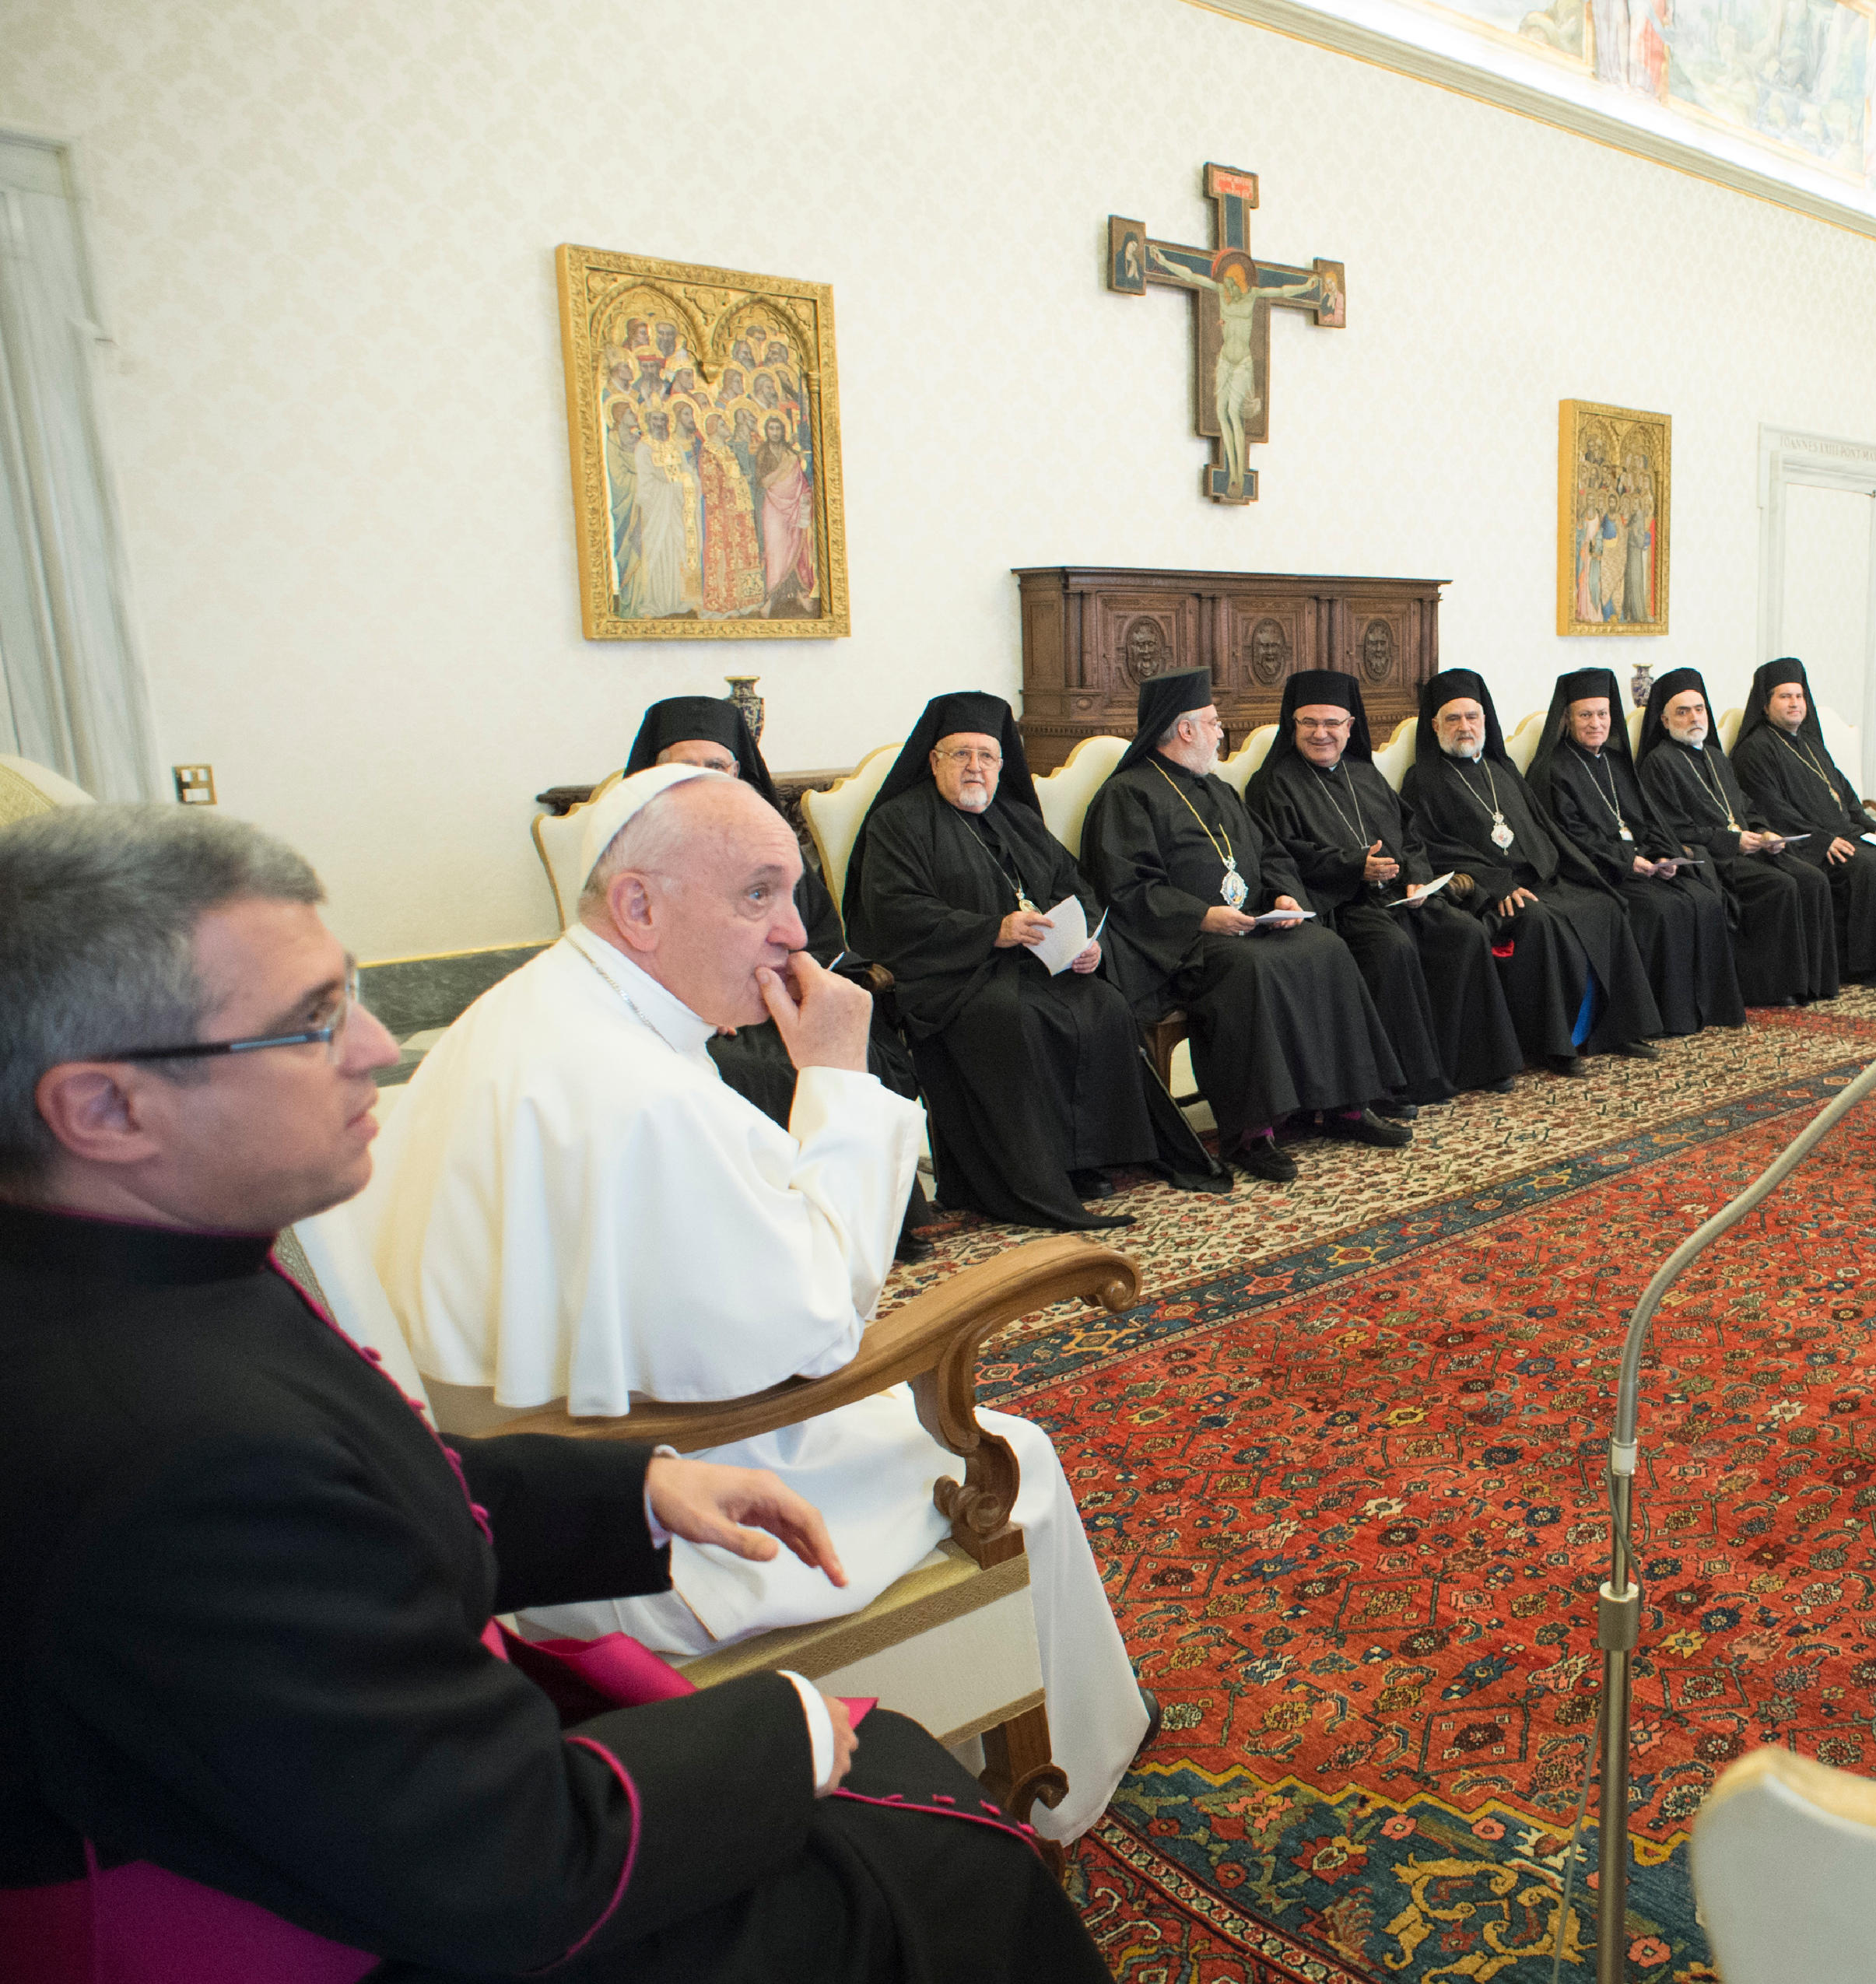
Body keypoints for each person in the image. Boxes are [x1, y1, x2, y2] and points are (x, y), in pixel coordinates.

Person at [0, 804, 1107, 1982]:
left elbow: (350, 1491)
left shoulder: (140, 1278)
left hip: (399, 1732)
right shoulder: (171, 1444)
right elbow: (501, 1866)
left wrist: (631, 1493)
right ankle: (1068, 1781)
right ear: (103, 1109)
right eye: (312, 1021)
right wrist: (783, 1728)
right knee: (952, 1868)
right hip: (360, 1927)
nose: (375, 1046)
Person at [368, 767, 1150, 1837]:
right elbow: (819, 1326)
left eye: (791, 893)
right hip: (652, 1528)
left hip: (531, 1479)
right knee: (1018, 1456)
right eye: (756, 896)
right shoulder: (641, 1095)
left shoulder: (537, 1007)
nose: (792, 933)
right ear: (639, 906)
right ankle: (1058, 1788)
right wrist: (836, 1078)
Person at [845, 691, 1223, 1231]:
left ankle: (1090, 1160)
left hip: (1040, 964)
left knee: (1104, 1006)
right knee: (1017, 1018)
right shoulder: (898, 823)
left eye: (987, 756)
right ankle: (1033, 1176)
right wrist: (993, 931)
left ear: (1002, 765)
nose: (975, 767)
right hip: (953, 976)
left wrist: (1086, 940)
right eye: (961, 754)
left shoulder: (1017, 818)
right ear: (933, 760)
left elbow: (1075, 886)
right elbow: (893, 912)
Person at [619, 696, 937, 1253]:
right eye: (683, 765)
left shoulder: (770, 842)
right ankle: (769, 1236)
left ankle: (869, 1221)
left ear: (737, 772)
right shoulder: (628, 852)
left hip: (779, 1003)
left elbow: (818, 937)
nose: (701, 778)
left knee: (847, 1051)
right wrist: (693, 1007)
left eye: (715, 766)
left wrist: (793, 986)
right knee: (755, 1072)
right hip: (688, 1018)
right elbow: (622, 953)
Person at [1081, 669, 1408, 1184]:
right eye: (1213, 723)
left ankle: (1345, 1106)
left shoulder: (1218, 790)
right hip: (1183, 943)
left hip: (1250, 922)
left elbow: (1270, 853)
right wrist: (1202, 916)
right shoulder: (1128, 795)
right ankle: (1252, 1133)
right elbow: (1126, 887)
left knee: (1326, 947)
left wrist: (1283, 896)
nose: (1220, 733)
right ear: (1185, 729)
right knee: (1249, 968)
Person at [1244, 668, 1523, 1106]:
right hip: (1340, 903)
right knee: (1391, 948)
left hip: (1397, 896)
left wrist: (1416, 877)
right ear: (1292, 725)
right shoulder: (1273, 783)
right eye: (1309, 723)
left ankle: (1474, 1065)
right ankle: (1401, 1084)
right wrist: (1355, 867)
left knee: (1464, 932)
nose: (1321, 733)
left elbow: (1410, 835)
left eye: (1332, 723)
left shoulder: (1365, 774)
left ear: (1350, 726)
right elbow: (1283, 854)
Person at [1395, 669, 1664, 1078]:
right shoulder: (1423, 780)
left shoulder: (1501, 769)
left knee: (1604, 903)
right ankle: (1555, 1044)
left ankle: (1617, 1029)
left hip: (1536, 878)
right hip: (1488, 892)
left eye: (1473, 716)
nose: (1465, 727)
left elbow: (1543, 828)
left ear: (1485, 720)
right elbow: (1431, 848)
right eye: (1453, 718)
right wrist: (1495, 884)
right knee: (1538, 920)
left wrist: (1577, 869)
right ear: (1434, 726)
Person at [1524, 667, 1744, 1036]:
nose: (1596, 723)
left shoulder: (1616, 763)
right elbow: (1569, 836)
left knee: (1703, 896)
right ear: (1566, 719)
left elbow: (1647, 818)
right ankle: (1665, 1018)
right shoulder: (1552, 770)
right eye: (1585, 715)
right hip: (1599, 872)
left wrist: (1662, 855)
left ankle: (1706, 1008)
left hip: (1642, 864)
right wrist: (1627, 861)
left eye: (1603, 714)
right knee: (1661, 908)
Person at [1634, 667, 1840, 1006]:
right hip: (1713, 858)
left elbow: (1745, 807)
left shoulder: (1716, 757)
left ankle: (1814, 981)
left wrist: (1763, 831)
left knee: (1812, 878)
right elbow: (1671, 828)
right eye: (1682, 712)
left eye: (1699, 709)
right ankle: (1771, 988)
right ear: (1665, 721)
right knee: (1779, 885)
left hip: (1748, 848)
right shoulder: (1659, 763)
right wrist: (1732, 841)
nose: (1694, 718)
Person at [1727, 659, 1876, 988]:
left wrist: (1870, 826)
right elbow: (1771, 810)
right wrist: (1821, 841)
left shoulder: (1810, 743)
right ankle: (1866, 966)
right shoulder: (1755, 751)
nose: (1794, 703)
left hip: (1845, 834)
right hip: (1808, 844)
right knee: (1866, 867)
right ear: (1765, 705)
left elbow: (1844, 792)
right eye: (1784, 697)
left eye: (1799, 696)